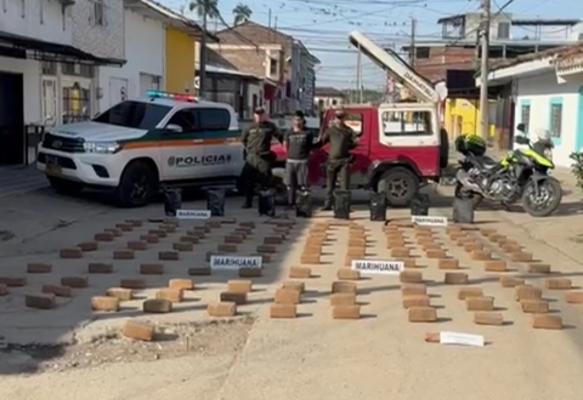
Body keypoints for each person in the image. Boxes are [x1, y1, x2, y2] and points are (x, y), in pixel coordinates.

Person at [239, 107, 283, 208]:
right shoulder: (249, 127)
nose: (259, 116)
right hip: (252, 157)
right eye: (257, 114)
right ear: (254, 115)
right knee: (248, 181)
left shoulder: (270, 126)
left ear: (265, 115)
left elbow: (280, 137)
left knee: (266, 181)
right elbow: (243, 140)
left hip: (264, 157)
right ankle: (248, 202)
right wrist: (249, 150)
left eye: (261, 114)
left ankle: (265, 204)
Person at [320, 109, 358, 210]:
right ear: (335, 119)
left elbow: (355, 143)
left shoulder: (349, 131)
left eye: (341, 118)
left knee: (344, 186)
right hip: (332, 161)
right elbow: (322, 142)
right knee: (330, 185)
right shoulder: (330, 130)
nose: (339, 120)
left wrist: (351, 145)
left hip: (344, 161)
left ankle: (345, 206)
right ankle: (328, 205)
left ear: (344, 118)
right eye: (338, 118)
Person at [284, 111, 316, 207]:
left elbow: (310, 147)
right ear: (293, 121)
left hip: (302, 161)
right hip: (290, 162)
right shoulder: (288, 132)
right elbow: (285, 145)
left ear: (302, 120)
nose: (297, 122)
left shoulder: (308, 133)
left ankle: (302, 205)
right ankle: (291, 204)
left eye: (299, 120)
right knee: (290, 185)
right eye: (295, 120)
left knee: (302, 185)